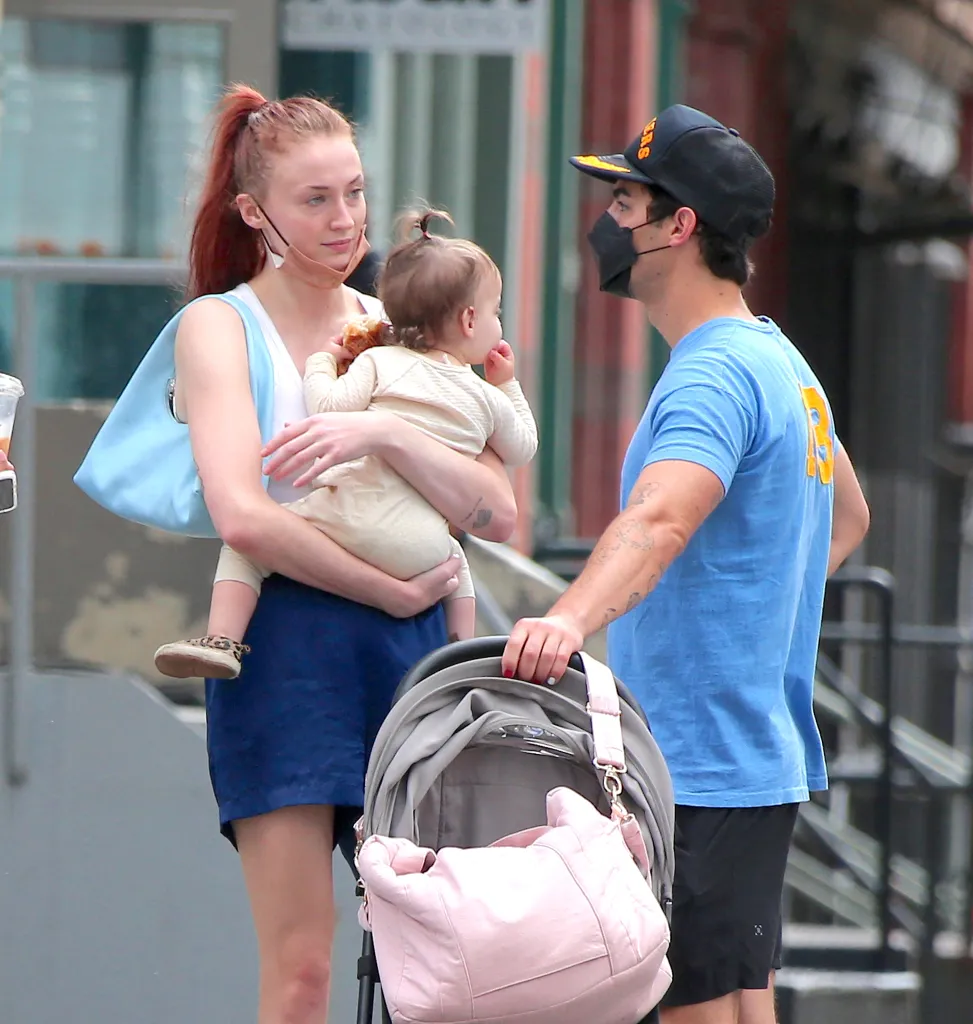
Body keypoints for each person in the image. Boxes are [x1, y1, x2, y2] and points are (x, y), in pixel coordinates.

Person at [141, 84, 518, 1024]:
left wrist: (385, 441)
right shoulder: (220, 326)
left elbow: (497, 508)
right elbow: (243, 515)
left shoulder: (398, 319)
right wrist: (385, 592)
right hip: (287, 652)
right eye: (316, 199)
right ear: (254, 212)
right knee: (305, 973)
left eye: (354, 192)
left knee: (445, 964)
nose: (345, 218)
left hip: (417, 652)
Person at [502, 104, 871, 1024]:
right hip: (753, 756)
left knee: (694, 1006)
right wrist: (753, 605)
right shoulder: (782, 364)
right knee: (739, 1001)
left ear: (680, 226)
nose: (609, 224)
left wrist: (568, 620)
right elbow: (847, 516)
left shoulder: (711, 375)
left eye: (625, 203)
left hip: (694, 757)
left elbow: (660, 517)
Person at [154, 208, 537, 679]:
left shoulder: (378, 360)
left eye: (354, 193)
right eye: (497, 312)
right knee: (457, 566)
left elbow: (330, 408)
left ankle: (223, 639)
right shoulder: (482, 396)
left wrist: (322, 362)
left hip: (348, 520)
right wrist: (506, 387)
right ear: (470, 320)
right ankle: (459, 655)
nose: (345, 216)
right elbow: (521, 447)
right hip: (423, 548)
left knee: (244, 552)